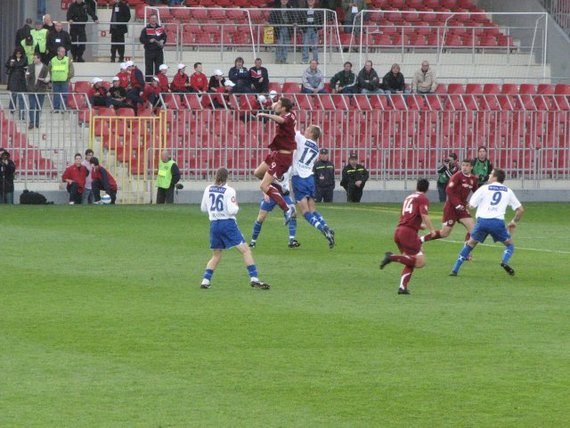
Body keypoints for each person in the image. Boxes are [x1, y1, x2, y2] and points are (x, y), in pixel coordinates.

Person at [200, 167, 270, 290]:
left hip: (214, 225)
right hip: (227, 224)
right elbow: (232, 210)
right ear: (227, 177)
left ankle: (205, 281)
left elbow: (204, 208)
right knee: (246, 250)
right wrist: (236, 207)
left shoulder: (208, 189)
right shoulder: (229, 190)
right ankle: (254, 278)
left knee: (216, 254)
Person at [450, 168, 524, 277]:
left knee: (470, 244)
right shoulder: (508, 190)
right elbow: (520, 210)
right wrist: (513, 222)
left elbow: (471, 205)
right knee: (510, 245)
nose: (489, 175)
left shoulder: (484, 188)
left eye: (491, 174)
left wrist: (467, 205)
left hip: (482, 221)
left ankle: (455, 269)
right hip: (497, 222)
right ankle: (504, 261)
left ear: (495, 177)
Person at [379, 178, 436, 295]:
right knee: (420, 261)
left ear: (416, 187)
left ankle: (402, 287)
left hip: (399, 231)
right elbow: (424, 215)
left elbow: (407, 216)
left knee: (410, 261)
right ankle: (391, 257)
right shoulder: (423, 198)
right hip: (408, 234)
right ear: (428, 189)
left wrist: (418, 226)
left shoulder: (409, 197)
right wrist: (432, 230)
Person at [254, 97, 297, 224]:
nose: (276, 105)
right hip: (276, 154)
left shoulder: (287, 118)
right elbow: (275, 106)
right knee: (258, 173)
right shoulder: (287, 111)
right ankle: (279, 188)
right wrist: (270, 103)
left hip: (283, 157)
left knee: (263, 186)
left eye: (278, 104)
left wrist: (266, 114)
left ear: (283, 108)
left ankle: (287, 209)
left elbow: (281, 120)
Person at [292, 125, 336, 248]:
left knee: (305, 212)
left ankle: (323, 230)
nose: (305, 131)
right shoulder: (317, 149)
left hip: (299, 178)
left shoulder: (303, 140)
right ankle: (326, 227)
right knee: (313, 210)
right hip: (310, 179)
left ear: (311, 133)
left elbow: (292, 129)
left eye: (307, 130)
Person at [421, 159, 477, 244]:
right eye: (463, 165)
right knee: (444, 233)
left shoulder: (473, 179)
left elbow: (477, 192)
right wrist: (457, 204)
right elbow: (449, 190)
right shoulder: (457, 176)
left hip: (462, 208)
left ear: (471, 167)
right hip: (451, 207)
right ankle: (420, 240)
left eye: (467, 165)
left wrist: (474, 202)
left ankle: (465, 253)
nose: (464, 167)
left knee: (473, 230)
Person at [249, 169, 300, 249]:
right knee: (261, 218)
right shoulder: (274, 164)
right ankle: (253, 242)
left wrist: (290, 193)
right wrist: (265, 193)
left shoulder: (290, 165)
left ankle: (292, 240)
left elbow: (289, 180)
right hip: (271, 193)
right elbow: (263, 179)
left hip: (284, 194)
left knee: (294, 213)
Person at [26, 53, 50, 129]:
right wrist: (27, 75)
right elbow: (26, 75)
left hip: (41, 90)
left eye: (35, 58)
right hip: (32, 89)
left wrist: (44, 80)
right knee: (32, 106)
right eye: (34, 58)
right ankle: (31, 122)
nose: (34, 60)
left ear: (39, 59)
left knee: (39, 107)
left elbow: (48, 78)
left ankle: (37, 122)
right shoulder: (30, 66)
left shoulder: (45, 68)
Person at [139, 14, 166, 81]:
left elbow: (164, 37)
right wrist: (149, 41)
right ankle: (148, 83)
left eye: (155, 18)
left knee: (159, 68)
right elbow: (141, 39)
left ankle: (158, 82)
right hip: (149, 51)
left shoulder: (160, 28)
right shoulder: (146, 29)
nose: (154, 20)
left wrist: (163, 40)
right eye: (152, 18)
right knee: (149, 68)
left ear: (157, 19)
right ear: (149, 19)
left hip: (158, 51)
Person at [268, 0, 295, 64]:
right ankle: (278, 59)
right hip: (279, 28)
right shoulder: (276, 7)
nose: (284, 1)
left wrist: (294, 23)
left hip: (288, 28)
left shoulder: (290, 7)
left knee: (286, 45)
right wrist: (269, 22)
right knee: (279, 44)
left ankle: (284, 59)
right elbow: (272, 17)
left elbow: (294, 17)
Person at [5, 47, 28, 120]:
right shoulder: (11, 58)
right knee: (13, 95)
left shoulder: (25, 58)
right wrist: (10, 65)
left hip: (21, 79)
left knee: (21, 97)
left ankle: (22, 115)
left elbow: (27, 66)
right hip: (14, 78)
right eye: (17, 54)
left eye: (20, 54)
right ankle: (12, 109)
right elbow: (7, 65)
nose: (18, 55)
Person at [49, 46, 74, 112]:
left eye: (64, 51)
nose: (64, 53)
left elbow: (71, 70)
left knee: (65, 95)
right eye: (62, 51)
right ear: (58, 52)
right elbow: (49, 69)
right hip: (56, 81)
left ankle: (64, 108)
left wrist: (68, 78)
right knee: (56, 95)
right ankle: (56, 108)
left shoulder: (67, 59)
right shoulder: (53, 60)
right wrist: (52, 76)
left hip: (64, 81)